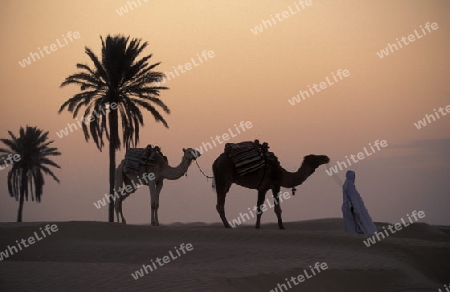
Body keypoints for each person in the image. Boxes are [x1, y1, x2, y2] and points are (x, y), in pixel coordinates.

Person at [342, 170, 377, 235]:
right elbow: (353, 198)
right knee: (358, 221)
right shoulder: (349, 185)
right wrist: (356, 208)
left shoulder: (346, 184)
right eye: (354, 176)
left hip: (348, 207)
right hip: (351, 208)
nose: (354, 178)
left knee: (351, 223)